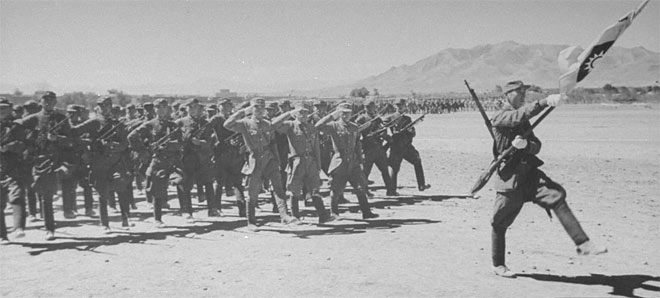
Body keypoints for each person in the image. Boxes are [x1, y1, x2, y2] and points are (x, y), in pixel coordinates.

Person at [489, 80, 607, 278]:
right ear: (507, 95)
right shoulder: (500, 116)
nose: (523, 95)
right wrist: (543, 102)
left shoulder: (521, 118)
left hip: (529, 176)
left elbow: (537, 145)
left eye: (524, 91)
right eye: (518, 92)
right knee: (499, 223)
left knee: (556, 196)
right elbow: (517, 116)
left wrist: (526, 146)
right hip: (510, 178)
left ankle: (583, 243)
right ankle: (498, 264)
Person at [223, 97, 299, 229]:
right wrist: (242, 111)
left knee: (278, 188)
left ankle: (284, 216)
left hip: (269, 159)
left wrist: (277, 160)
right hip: (255, 160)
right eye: (256, 107)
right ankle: (251, 221)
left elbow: (273, 140)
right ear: (251, 109)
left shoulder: (267, 123)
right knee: (253, 193)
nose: (259, 110)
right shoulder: (245, 123)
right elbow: (227, 125)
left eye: (262, 107)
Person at [73, 96, 133, 230]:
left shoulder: (116, 124)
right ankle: (105, 224)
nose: (105, 108)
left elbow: (125, 144)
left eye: (108, 105)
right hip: (98, 162)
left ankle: (125, 219)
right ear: (98, 107)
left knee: (121, 187)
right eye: (102, 105)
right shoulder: (93, 122)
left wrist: (115, 146)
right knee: (102, 193)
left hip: (115, 162)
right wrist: (90, 145)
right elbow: (74, 133)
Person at [18, 91, 73, 240]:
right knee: (41, 193)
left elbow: (70, 140)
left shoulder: (62, 118)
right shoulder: (35, 118)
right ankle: (46, 225)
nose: (48, 103)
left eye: (51, 100)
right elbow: (17, 126)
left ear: (55, 102)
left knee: (51, 193)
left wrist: (57, 139)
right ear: (41, 102)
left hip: (56, 161)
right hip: (39, 161)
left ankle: (55, 222)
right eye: (45, 100)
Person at [271, 102, 337, 223]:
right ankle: (295, 216)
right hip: (297, 161)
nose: (304, 115)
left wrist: (318, 164)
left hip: (311, 162)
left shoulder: (311, 127)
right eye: (301, 112)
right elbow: (274, 125)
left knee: (315, 188)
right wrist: (287, 114)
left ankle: (323, 215)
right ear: (295, 114)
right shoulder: (290, 125)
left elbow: (316, 147)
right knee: (295, 189)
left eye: (306, 112)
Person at [315, 103, 379, 219]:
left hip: (353, 162)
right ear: (339, 114)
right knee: (336, 189)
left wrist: (360, 161)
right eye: (343, 113)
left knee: (360, 187)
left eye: (348, 113)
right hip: (339, 162)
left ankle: (366, 212)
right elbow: (318, 126)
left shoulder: (354, 127)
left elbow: (357, 145)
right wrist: (331, 115)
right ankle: (334, 213)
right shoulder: (333, 126)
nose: (346, 116)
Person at [128, 98, 182, 228]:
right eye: (159, 107)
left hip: (173, 160)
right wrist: (143, 150)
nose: (162, 110)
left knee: (183, 181)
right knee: (157, 190)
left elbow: (181, 142)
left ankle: (187, 212)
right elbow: (132, 136)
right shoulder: (150, 124)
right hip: (158, 160)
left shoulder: (173, 125)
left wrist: (171, 145)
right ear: (155, 109)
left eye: (164, 107)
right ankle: (158, 218)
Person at [175, 98, 220, 219]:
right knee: (185, 185)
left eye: (195, 107)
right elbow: (175, 140)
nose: (193, 109)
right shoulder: (180, 122)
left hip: (202, 157)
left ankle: (212, 209)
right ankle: (186, 211)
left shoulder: (205, 123)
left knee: (208, 182)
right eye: (190, 107)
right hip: (187, 158)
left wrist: (200, 142)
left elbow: (211, 140)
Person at [210, 99, 246, 217]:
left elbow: (243, 133)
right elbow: (206, 131)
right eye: (223, 106)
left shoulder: (236, 119)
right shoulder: (216, 119)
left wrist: (240, 143)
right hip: (220, 153)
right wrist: (214, 142)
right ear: (218, 107)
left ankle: (242, 208)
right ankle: (216, 208)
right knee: (219, 182)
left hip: (235, 154)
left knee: (237, 182)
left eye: (228, 105)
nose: (226, 108)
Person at [355, 99, 397, 196]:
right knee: (365, 172)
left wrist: (386, 136)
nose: (369, 108)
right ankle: (364, 191)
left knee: (384, 170)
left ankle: (390, 190)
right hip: (367, 148)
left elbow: (382, 129)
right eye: (367, 107)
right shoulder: (361, 119)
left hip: (378, 148)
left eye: (371, 106)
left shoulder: (377, 119)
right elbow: (356, 132)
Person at [387, 98, 430, 192]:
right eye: (398, 105)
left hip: (406, 146)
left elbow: (413, 134)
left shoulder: (407, 119)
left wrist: (411, 131)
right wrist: (390, 136)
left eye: (401, 105)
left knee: (417, 161)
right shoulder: (391, 118)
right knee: (395, 168)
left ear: (405, 106)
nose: (400, 107)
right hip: (396, 146)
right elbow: (382, 128)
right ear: (395, 106)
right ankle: (391, 190)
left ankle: (421, 185)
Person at [0, 97, 28, 244]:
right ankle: (2, 235)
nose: (1, 111)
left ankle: (18, 228)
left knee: (16, 196)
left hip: (14, 167)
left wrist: (10, 147)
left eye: (4, 108)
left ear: (10, 110)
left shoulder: (17, 126)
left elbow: (25, 144)